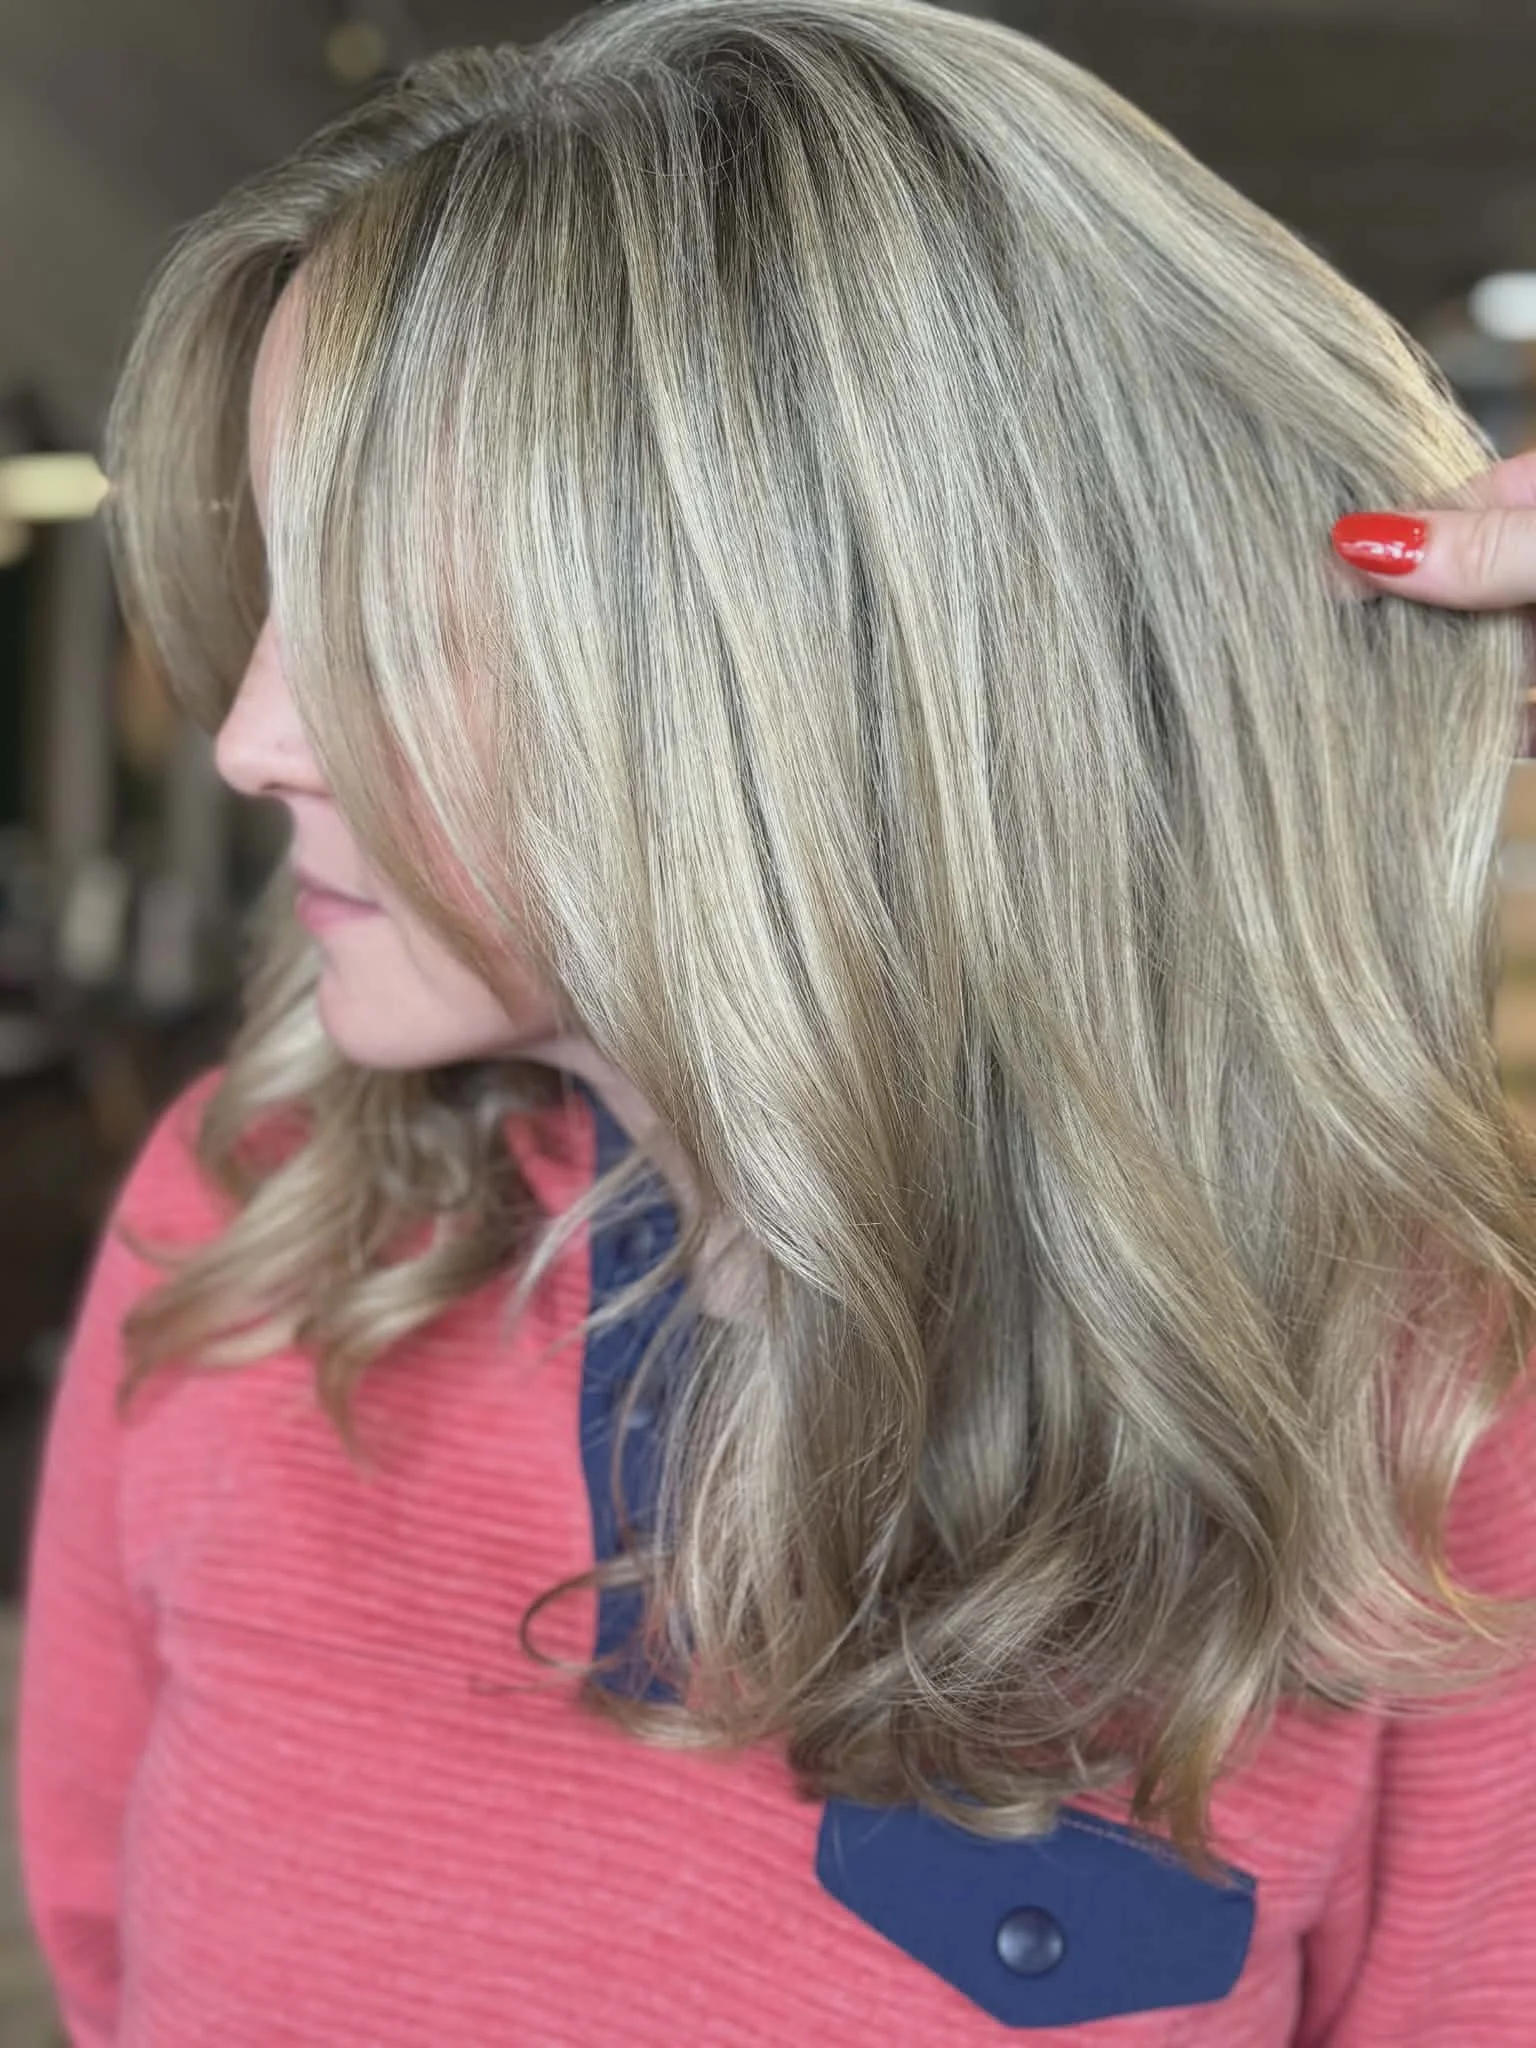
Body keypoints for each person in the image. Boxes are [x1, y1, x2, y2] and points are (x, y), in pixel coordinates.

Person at [18, 0, 1536, 2041]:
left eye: (392, 629)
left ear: (826, 689)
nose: (249, 737)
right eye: (281, 594)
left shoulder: (1409, 1414)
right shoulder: (246, 1222)